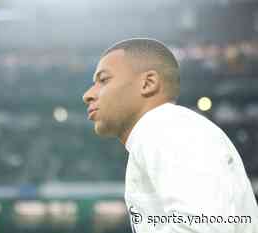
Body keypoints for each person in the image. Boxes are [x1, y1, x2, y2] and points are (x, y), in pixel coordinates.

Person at [82, 38, 258, 233]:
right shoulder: (165, 130)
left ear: (148, 83)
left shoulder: (166, 128)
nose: (88, 94)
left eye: (104, 80)